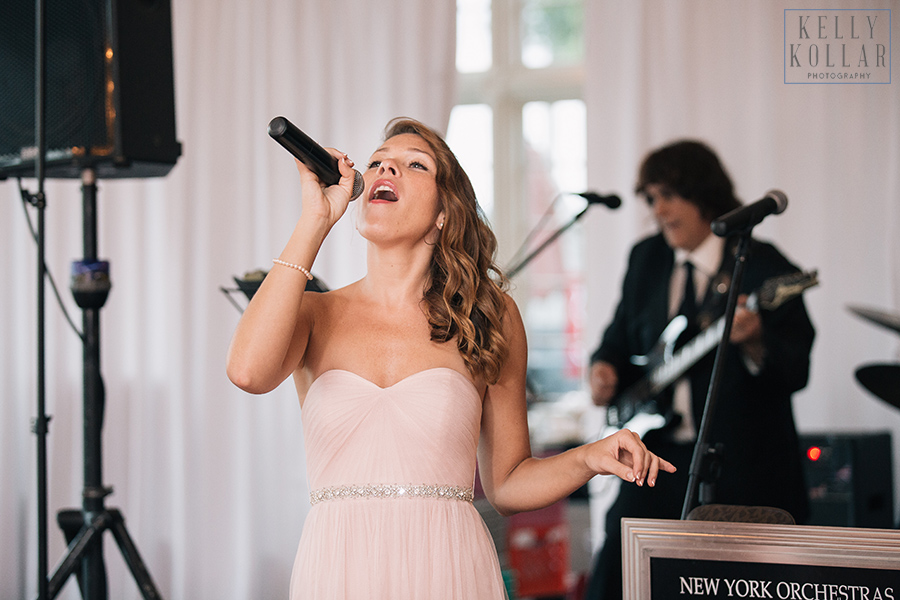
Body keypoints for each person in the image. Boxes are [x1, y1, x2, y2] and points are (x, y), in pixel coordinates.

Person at [226, 117, 676, 599]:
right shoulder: (313, 312)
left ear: (445, 211)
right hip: (338, 570)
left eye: (413, 164)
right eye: (377, 162)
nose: (386, 169)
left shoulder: (489, 316)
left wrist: (591, 456)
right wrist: (314, 220)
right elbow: (248, 372)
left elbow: (506, 485)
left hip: (449, 568)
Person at [584, 140, 815, 600]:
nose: (660, 210)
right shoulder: (646, 259)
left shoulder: (764, 267)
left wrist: (755, 341)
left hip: (742, 467)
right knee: (617, 576)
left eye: (670, 195)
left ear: (704, 195)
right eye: (651, 199)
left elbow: (796, 370)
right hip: (658, 457)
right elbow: (618, 338)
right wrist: (603, 368)